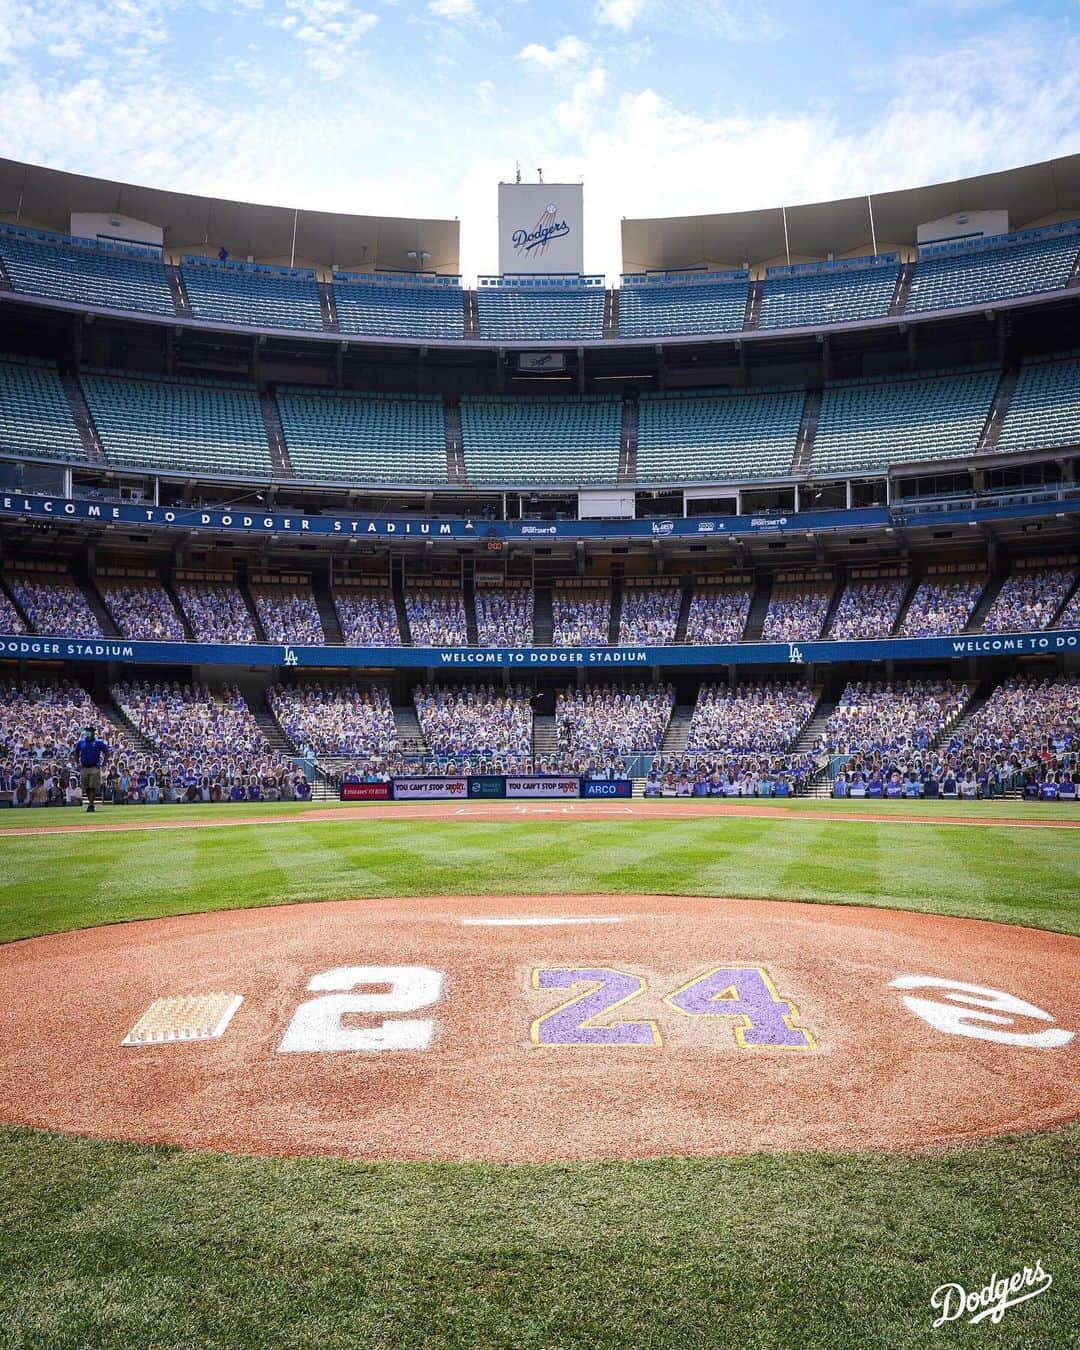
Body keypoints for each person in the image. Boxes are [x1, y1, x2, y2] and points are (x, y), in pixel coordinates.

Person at [73, 724, 110, 813]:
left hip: (94, 767)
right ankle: (91, 803)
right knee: (86, 787)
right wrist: (77, 762)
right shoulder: (81, 742)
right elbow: (76, 752)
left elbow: (106, 752)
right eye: (87, 731)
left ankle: (91, 804)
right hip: (84, 767)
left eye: (90, 731)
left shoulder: (98, 742)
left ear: (93, 732)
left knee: (92, 787)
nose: (88, 732)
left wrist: (104, 762)